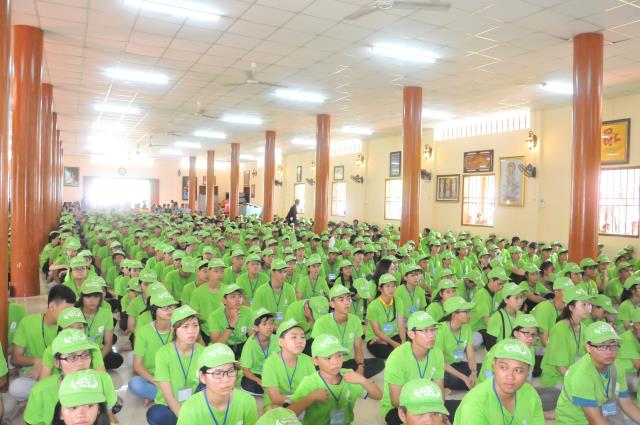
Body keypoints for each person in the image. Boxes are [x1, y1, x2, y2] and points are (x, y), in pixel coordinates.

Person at [24, 329, 117, 425]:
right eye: (72, 357)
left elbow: (107, 416)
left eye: (85, 355)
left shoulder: (102, 381)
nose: (80, 362)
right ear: (57, 362)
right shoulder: (40, 391)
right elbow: (33, 422)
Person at [555, 322, 640, 424]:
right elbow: (595, 421)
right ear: (588, 347)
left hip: (602, 412)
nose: (609, 351)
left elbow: (627, 405)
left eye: (613, 345)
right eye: (601, 346)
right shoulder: (581, 375)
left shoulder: (617, 366)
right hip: (576, 422)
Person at [289, 334, 382, 425]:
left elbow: (378, 396)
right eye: (328, 358)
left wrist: (363, 380)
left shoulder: (350, 376)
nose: (335, 362)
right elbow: (289, 413)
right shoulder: (310, 383)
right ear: (315, 361)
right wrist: (311, 398)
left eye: (339, 355)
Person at [453, 339, 544, 424]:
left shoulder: (531, 395)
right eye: (503, 367)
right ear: (494, 366)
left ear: (528, 372)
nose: (510, 376)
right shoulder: (475, 405)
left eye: (518, 370)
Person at [10, 285, 76, 401]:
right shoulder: (28, 322)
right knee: (15, 388)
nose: (68, 316)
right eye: (66, 311)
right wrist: (37, 361)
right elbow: (15, 359)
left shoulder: (73, 326)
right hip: (34, 376)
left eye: (72, 311)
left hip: (60, 378)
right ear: (52, 306)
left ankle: (40, 398)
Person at [381, 311, 445, 425]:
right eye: (425, 330)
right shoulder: (397, 358)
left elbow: (439, 390)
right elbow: (396, 401)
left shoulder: (437, 353)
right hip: (401, 407)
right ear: (411, 334)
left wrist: (440, 414)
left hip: (427, 399)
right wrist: (425, 414)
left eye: (433, 329)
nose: (431, 335)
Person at [146, 305, 204, 425]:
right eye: (185, 326)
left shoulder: (203, 352)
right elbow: (168, 396)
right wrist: (185, 420)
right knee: (155, 414)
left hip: (194, 402)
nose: (191, 331)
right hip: (169, 404)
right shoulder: (163, 354)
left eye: (195, 325)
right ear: (174, 329)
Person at [176, 344, 258, 424]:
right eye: (217, 373)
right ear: (202, 377)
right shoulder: (190, 409)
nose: (226, 379)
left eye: (231, 371)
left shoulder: (247, 402)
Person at [129, 291, 178, 404]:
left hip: (176, 374)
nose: (169, 310)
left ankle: (160, 396)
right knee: (135, 384)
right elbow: (137, 366)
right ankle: (171, 395)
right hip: (153, 376)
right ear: (154, 310)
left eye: (172, 306)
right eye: (164, 307)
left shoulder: (180, 328)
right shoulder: (143, 332)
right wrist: (156, 382)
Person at [540, 286, 592, 389]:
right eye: (583, 304)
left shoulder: (583, 328)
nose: (588, 308)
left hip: (574, 373)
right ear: (571, 307)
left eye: (589, 304)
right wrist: (578, 381)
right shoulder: (560, 329)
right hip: (556, 378)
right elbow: (560, 367)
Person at [261, 319, 316, 409]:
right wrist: (305, 401)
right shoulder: (270, 363)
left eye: (302, 337)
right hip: (278, 402)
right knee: (274, 412)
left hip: (301, 399)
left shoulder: (308, 360)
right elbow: (275, 398)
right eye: (294, 337)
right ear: (281, 342)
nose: (300, 341)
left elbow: (314, 388)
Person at [76, 279, 123, 370]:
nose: (92, 300)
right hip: (78, 352)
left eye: (96, 296)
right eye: (88, 296)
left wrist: (97, 360)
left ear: (101, 298)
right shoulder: (75, 313)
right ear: (82, 297)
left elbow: (108, 343)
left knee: (116, 359)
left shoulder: (106, 314)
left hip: (97, 351)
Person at [436, 296, 479, 392]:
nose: (469, 314)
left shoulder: (467, 328)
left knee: (483, 370)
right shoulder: (440, 330)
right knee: (453, 379)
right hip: (443, 368)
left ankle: (474, 382)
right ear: (454, 314)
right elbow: (440, 362)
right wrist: (464, 377)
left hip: (457, 364)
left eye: (469, 311)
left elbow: (470, 354)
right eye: (465, 312)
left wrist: (473, 372)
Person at [365, 273, 407, 359]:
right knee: (389, 353)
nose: (391, 289)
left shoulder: (398, 301)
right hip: (376, 337)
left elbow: (400, 324)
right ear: (380, 288)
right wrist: (394, 344)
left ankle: (390, 345)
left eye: (393, 286)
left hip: (392, 334)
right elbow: (377, 331)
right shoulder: (373, 306)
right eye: (387, 286)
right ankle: (386, 345)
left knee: (409, 343)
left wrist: (403, 342)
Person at [240, 308, 278, 395]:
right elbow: (246, 370)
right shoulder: (250, 343)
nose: (269, 327)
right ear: (256, 328)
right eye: (264, 324)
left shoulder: (277, 340)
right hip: (256, 373)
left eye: (271, 323)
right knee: (249, 385)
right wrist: (259, 381)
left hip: (271, 373)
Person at [208, 284, 253, 358]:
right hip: (224, 348)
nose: (237, 300)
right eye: (233, 296)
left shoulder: (248, 312)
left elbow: (253, 337)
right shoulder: (214, 316)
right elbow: (216, 345)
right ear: (224, 300)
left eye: (240, 296)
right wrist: (231, 324)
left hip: (243, 346)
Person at [252, 259, 297, 325]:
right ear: (272, 272)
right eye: (280, 272)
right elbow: (256, 314)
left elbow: (293, 311)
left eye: (285, 272)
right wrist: (271, 325)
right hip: (266, 327)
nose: (283, 275)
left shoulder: (290, 289)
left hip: (285, 327)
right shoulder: (261, 290)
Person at [485, 282, 526, 348]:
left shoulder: (522, 315)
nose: (520, 301)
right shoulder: (497, 317)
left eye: (521, 297)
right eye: (516, 298)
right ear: (506, 300)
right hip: (500, 352)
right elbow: (489, 346)